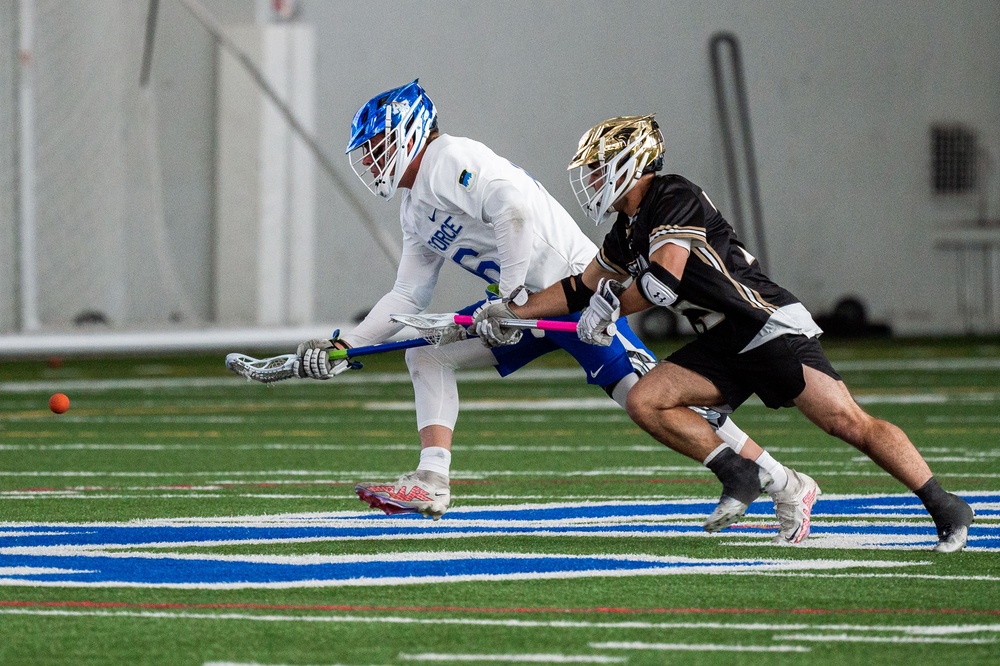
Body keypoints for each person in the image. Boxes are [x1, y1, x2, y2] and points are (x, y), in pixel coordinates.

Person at [298, 81, 817, 543]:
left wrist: (508, 295)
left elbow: (515, 212)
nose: (370, 160)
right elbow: (407, 297)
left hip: (572, 298)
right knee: (429, 356)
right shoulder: (416, 205)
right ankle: (432, 480)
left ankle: (784, 481)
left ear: (410, 135)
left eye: (378, 146)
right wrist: (347, 347)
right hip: (524, 306)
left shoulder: (447, 158)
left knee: (652, 398)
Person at [475, 114, 974, 553]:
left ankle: (944, 504)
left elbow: (663, 282)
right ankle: (737, 472)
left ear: (633, 162)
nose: (591, 176)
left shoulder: (673, 194)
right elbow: (581, 287)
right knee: (646, 399)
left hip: (764, 325)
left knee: (846, 422)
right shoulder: (626, 228)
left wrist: (610, 308)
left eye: (600, 166)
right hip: (722, 340)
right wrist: (511, 309)